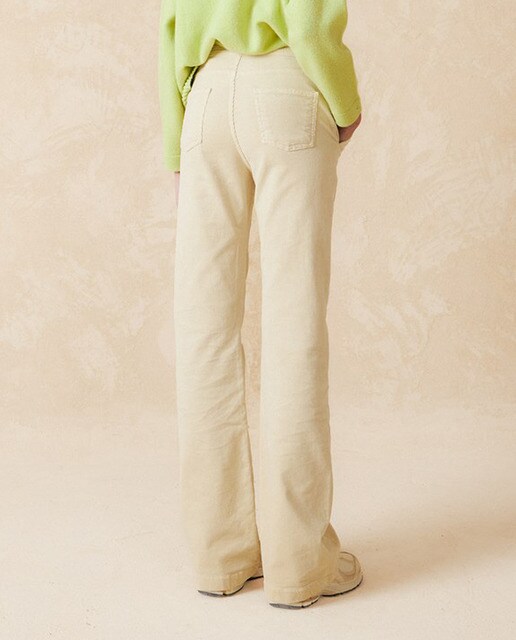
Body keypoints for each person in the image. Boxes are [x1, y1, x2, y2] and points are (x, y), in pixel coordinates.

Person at [158, 0, 363, 609]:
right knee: (295, 321)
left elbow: (170, 26)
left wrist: (176, 146)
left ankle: (220, 556)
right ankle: (298, 565)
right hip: (286, 84)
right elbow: (308, 18)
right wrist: (346, 102)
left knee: (204, 329)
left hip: (203, 99)